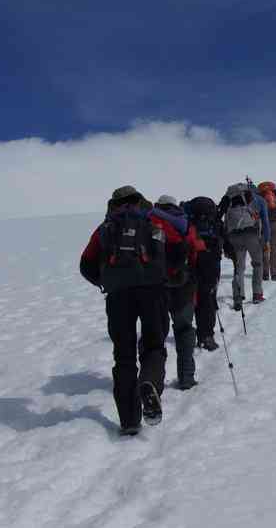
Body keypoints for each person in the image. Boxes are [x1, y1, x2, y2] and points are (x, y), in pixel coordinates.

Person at [80, 185, 185, 436]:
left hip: (118, 297)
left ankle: (128, 420)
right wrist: (167, 275)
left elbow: (86, 264)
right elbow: (180, 249)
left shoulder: (105, 228)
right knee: (153, 346)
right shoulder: (155, 222)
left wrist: (106, 281)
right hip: (153, 291)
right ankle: (149, 383)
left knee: (123, 356)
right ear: (140, 201)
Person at [154, 195, 204, 390]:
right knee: (184, 330)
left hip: (155, 287)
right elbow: (197, 250)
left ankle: (153, 379)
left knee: (155, 333)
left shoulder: (149, 223)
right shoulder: (185, 225)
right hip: (183, 286)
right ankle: (186, 377)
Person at [219, 182, 269, 309]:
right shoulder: (258, 200)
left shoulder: (231, 200)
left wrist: (226, 241)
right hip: (252, 235)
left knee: (238, 267)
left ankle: (237, 297)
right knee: (257, 264)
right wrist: (265, 239)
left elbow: (225, 221)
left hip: (234, 236)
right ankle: (257, 294)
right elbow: (264, 220)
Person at [185, 196, 224, 351]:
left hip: (191, 265)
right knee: (208, 299)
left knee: (192, 298)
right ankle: (206, 335)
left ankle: (190, 332)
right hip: (212, 266)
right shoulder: (216, 222)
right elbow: (225, 241)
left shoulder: (188, 222)